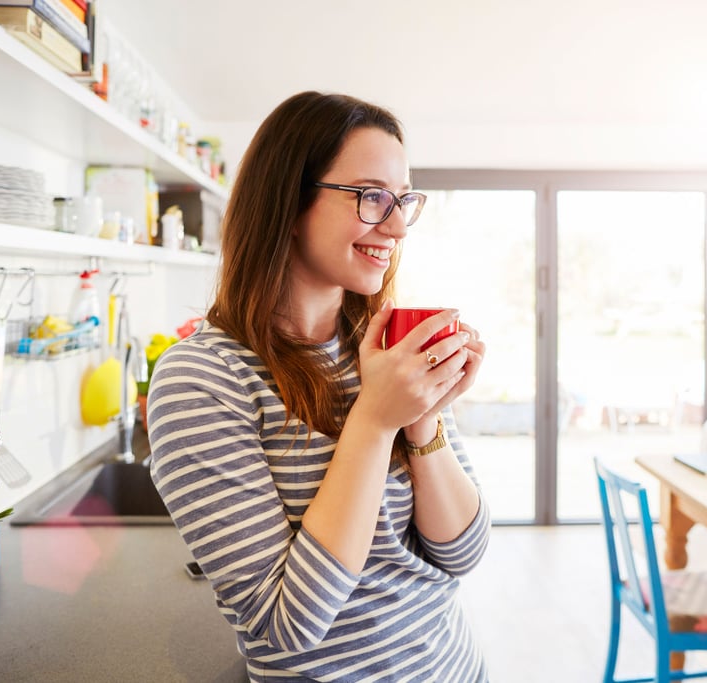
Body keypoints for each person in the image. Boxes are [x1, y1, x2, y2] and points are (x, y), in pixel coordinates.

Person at [147, 91, 490, 682]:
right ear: (289, 199)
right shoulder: (201, 380)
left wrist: (423, 419)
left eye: (404, 200)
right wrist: (376, 420)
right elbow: (288, 626)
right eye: (372, 196)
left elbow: (462, 554)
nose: (399, 225)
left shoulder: (387, 349)